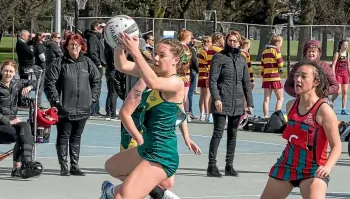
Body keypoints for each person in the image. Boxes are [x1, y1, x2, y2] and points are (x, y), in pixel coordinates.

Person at [100, 35, 200, 199]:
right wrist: (119, 44)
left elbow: (153, 83)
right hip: (147, 148)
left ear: (175, 60)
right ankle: (155, 192)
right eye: (155, 54)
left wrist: (135, 51)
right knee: (112, 166)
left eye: (162, 55)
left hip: (161, 154)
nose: (156, 58)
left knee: (123, 196)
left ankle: (120, 192)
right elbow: (121, 64)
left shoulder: (176, 83)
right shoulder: (153, 72)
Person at [260, 62, 342, 199]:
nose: (298, 79)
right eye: (297, 76)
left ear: (316, 81)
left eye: (304, 76)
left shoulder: (324, 111)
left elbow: (337, 146)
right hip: (287, 165)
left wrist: (327, 167)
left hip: (313, 169)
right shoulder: (290, 106)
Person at [44, 33, 101, 176]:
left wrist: (92, 98)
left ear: (82, 46)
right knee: (63, 136)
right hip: (64, 108)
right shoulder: (59, 63)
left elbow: (97, 81)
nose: (74, 47)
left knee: (76, 136)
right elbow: (49, 83)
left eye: (77, 44)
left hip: (83, 107)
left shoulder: (87, 63)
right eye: (71, 44)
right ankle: (64, 165)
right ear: (66, 46)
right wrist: (56, 101)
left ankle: (74, 165)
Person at [207, 31, 254, 177]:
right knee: (218, 133)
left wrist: (249, 103)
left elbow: (246, 82)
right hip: (222, 100)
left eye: (235, 41)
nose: (232, 43)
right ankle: (211, 166)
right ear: (226, 41)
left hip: (238, 101)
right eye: (230, 40)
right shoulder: (219, 57)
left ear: (239, 43)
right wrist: (216, 98)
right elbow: (212, 80)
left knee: (233, 135)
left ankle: (229, 165)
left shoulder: (242, 59)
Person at [0, 59, 43, 178]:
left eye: (11, 71)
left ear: (15, 73)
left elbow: (36, 83)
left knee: (25, 127)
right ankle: (19, 167)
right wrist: (8, 121)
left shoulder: (16, 84)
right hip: (2, 124)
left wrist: (29, 87)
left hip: (12, 124)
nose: (8, 74)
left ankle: (26, 163)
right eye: (6, 71)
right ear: (1, 71)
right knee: (22, 134)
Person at [284, 40, 339, 106]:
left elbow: (335, 85)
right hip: (303, 101)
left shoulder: (325, 67)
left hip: (320, 100)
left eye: (314, 51)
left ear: (318, 53)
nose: (311, 53)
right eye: (309, 51)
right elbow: (287, 86)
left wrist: (321, 93)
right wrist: (298, 93)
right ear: (305, 53)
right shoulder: (298, 66)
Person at [261, 36, 284, 118]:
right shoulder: (276, 50)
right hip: (275, 77)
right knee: (280, 98)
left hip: (266, 78)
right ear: (277, 43)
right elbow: (280, 64)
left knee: (266, 100)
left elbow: (262, 65)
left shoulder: (264, 51)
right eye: (281, 43)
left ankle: (266, 116)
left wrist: (263, 73)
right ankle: (276, 117)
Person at [331, 40, 350, 115]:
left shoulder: (347, 54)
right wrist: (333, 74)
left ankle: (344, 109)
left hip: (345, 74)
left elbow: (348, 65)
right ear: (341, 45)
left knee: (345, 92)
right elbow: (333, 65)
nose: (346, 46)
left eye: (347, 45)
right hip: (338, 74)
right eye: (344, 45)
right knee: (338, 91)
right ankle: (330, 102)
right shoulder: (337, 54)